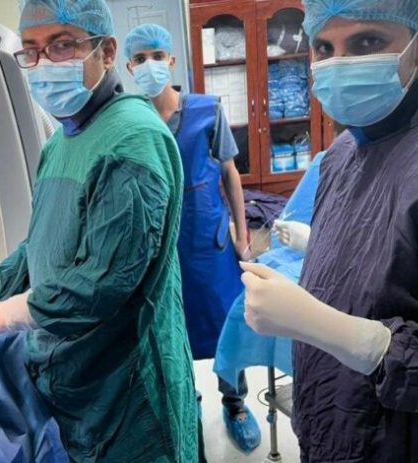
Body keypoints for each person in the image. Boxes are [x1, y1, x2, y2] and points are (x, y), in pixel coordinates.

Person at [0, 1, 200, 461]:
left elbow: (104, 282)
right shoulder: (61, 144)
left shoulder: (133, 141)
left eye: (62, 45)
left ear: (106, 52)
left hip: (127, 390)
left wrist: (6, 314)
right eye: (32, 50)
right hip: (76, 381)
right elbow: (44, 243)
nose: (45, 62)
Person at [240, 0, 418, 461]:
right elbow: (394, 264)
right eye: (324, 47)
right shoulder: (344, 153)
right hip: (334, 429)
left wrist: (342, 334)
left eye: (367, 41)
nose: (340, 65)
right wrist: (319, 246)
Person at [122, 23, 259, 454]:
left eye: (156, 56)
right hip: (158, 244)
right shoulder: (131, 118)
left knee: (225, 322)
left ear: (172, 60)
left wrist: (242, 236)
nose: (149, 65)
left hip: (207, 242)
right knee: (169, 327)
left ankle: (235, 403)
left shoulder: (206, 110)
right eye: (139, 59)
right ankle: (186, 402)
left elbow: (230, 173)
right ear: (128, 67)